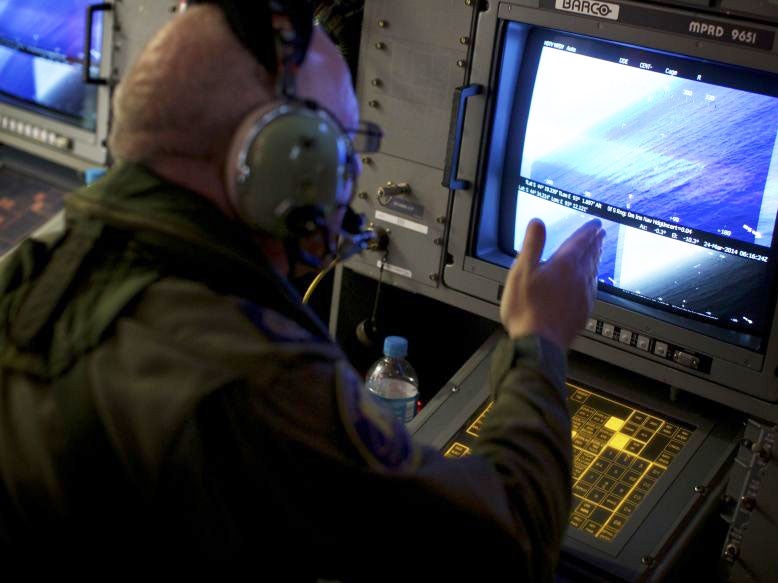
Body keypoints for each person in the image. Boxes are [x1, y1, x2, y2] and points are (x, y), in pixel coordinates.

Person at [0, 2, 605, 578]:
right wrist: (540, 337)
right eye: (339, 147)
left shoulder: (36, 263)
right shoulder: (246, 375)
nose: (344, 185)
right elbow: (506, 546)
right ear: (283, 160)